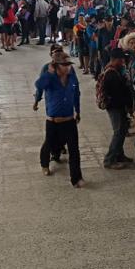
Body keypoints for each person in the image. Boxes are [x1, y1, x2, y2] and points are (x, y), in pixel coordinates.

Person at [34, 51, 84, 188]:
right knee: (49, 144)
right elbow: (39, 85)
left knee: (74, 150)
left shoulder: (72, 77)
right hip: (53, 121)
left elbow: (76, 94)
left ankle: (76, 178)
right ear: (56, 65)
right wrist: (49, 73)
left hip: (69, 120)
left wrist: (78, 111)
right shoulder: (50, 78)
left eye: (68, 64)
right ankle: (44, 164)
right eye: (64, 65)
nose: (67, 67)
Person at [99, 48, 134, 169]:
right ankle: (109, 160)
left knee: (122, 130)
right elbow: (118, 94)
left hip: (118, 106)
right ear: (114, 59)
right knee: (118, 132)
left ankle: (119, 155)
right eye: (121, 59)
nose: (123, 61)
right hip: (114, 107)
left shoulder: (117, 70)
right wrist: (128, 105)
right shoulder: (111, 74)